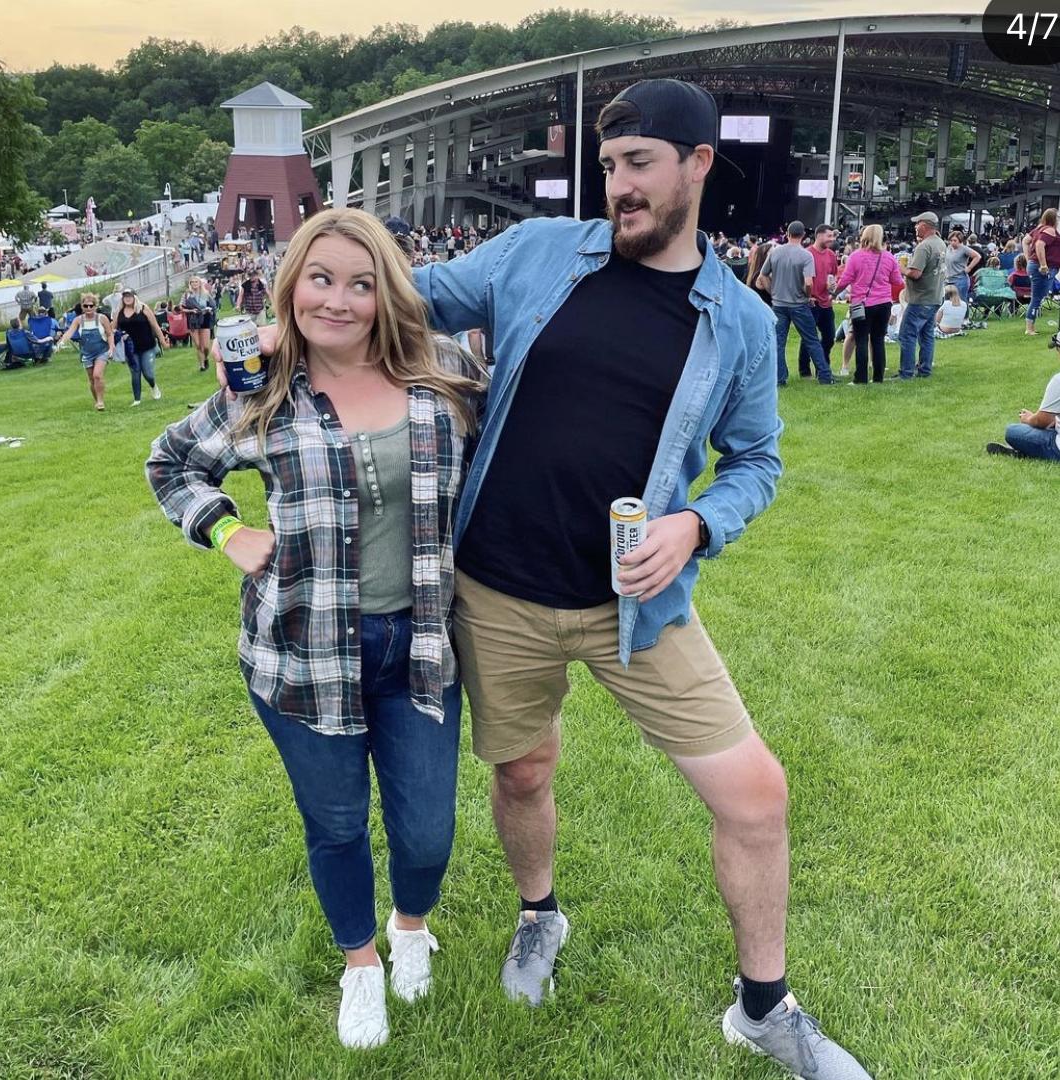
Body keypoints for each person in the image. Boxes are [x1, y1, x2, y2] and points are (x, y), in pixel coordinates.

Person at [241, 80, 873, 1080]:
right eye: (609, 166)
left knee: (755, 795)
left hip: (638, 607)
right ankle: (539, 916)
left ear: (698, 165)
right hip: (496, 594)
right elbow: (395, 296)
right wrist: (291, 320)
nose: (619, 186)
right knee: (524, 769)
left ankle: (764, 1008)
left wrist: (697, 522)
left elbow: (756, 460)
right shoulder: (538, 252)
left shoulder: (741, 322)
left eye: (640, 164)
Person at [147, 208, 485, 1051]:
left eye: (361, 284)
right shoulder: (261, 391)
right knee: (335, 824)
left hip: (422, 645)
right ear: (290, 285)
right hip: (301, 651)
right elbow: (170, 463)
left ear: (387, 293)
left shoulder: (446, 372)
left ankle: (411, 924)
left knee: (427, 831)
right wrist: (227, 530)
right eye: (321, 279)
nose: (338, 300)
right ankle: (359, 964)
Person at [758, 221, 834, 385]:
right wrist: (807, 296)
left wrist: (773, 292)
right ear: (803, 236)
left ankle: (780, 378)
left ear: (787, 234)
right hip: (799, 304)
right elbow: (808, 282)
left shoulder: (775, 252)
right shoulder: (806, 255)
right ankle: (825, 376)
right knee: (812, 340)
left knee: (778, 342)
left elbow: (763, 276)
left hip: (779, 304)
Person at [834, 223, 903, 385]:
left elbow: (845, 280)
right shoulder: (889, 257)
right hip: (884, 303)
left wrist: (833, 293)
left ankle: (861, 378)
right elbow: (897, 281)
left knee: (861, 340)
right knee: (878, 340)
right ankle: (878, 377)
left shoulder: (856, 257)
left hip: (861, 304)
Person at [898, 211, 947, 380]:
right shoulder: (940, 243)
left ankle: (906, 372)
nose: (915, 227)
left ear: (924, 226)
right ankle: (925, 369)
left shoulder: (924, 246)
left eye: (917, 224)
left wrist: (902, 269)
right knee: (927, 335)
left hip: (920, 298)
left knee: (907, 334)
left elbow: (915, 273)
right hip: (935, 296)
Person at [55, 292, 114, 410]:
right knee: (92, 379)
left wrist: (111, 347)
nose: (88, 308)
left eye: (91, 305)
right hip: (86, 353)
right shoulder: (78, 320)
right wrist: (61, 343)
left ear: (95, 306)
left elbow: (109, 334)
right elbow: (69, 332)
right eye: (86, 306)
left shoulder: (102, 318)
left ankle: (101, 401)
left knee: (97, 375)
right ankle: (97, 400)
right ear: (82, 307)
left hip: (101, 351)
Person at [985, 370, 1060, 460]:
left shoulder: (1058, 380)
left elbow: (1042, 421)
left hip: (1057, 447)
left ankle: (1022, 451)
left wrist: (1028, 419)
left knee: (1012, 431)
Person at [797, 224, 838, 379]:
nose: (832, 239)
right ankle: (804, 369)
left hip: (826, 302)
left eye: (833, 236)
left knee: (829, 336)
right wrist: (806, 296)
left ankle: (823, 366)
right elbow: (799, 278)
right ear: (819, 235)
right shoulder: (807, 254)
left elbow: (833, 274)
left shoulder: (831, 255)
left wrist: (832, 286)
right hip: (811, 302)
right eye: (829, 236)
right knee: (808, 338)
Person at [114, 288, 167, 406]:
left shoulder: (143, 308)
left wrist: (163, 341)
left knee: (148, 372)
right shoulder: (119, 312)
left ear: (134, 297)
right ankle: (137, 399)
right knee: (135, 371)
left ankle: (153, 386)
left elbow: (155, 326)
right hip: (130, 348)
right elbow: (113, 329)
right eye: (125, 296)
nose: (127, 298)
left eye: (130, 296)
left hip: (147, 345)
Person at [1022, 208, 1060, 335]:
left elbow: (1025, 241)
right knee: (1037, 298)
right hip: (1042, 268)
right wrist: (1043, 264)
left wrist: (1028, 259)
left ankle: (1031, 326)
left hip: (1035, 266)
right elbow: (1039, 244)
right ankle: (1029, 328)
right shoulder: (1050, 230)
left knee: (1037, 297)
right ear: (1054, 219)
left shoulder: (1038, 229)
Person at [180, 276, 216, 372]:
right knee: (198, 345)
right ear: (190, 284)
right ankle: (202, 365)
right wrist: (191, 310)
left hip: (205, 319)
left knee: (206, 346)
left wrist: (209, 310)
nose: (194, 284)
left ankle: (206, 358)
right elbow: (181, 308)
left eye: (196, 282)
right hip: (193, 320)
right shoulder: (187, 295)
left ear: (200, 283)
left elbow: (213, 305)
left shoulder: (205, 293)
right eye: (192, 282)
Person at [944, 232, 980, 320]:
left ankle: (965, 319)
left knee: (961, 300)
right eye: (951, 240)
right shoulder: (948, 248)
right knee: (946, 300)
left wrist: (969, 267)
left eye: (955, 240)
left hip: (960, 279)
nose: (952, 242)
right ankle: (949, 319)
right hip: (948, 278)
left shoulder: (964, 249)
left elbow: (977, 256)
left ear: (960, 241)